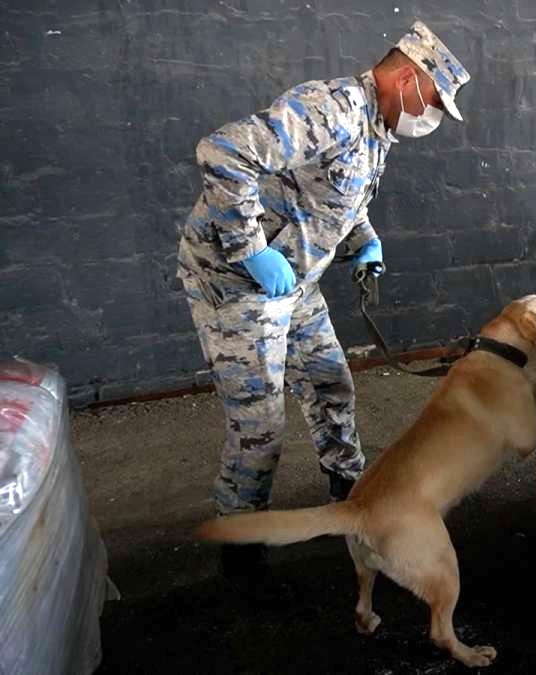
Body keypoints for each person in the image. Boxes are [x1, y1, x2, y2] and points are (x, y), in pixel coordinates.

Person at [175, 21, 470, 577]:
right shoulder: (328, 109)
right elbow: (221, 152)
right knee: (259, 426)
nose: (430, 115)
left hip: (294, 281)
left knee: (332, 383)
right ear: (407, 77)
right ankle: (241, 548)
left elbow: (341, 194)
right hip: (236, 282)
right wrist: (251, 251)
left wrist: (363, 240)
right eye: (432, 100)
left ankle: (351, 495)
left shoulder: (374, 126)